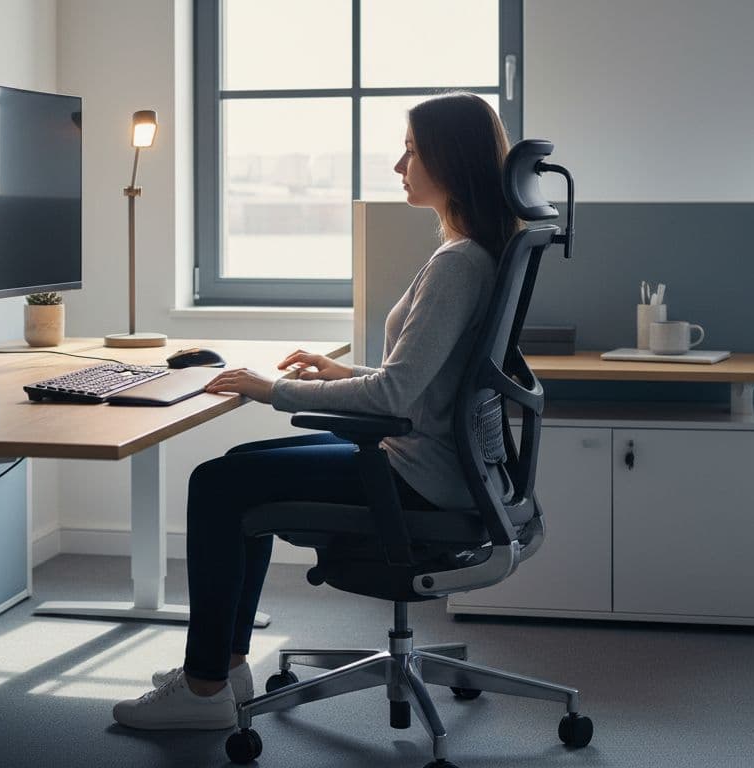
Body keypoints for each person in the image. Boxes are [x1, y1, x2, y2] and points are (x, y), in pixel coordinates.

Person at [111, 92, 520, 731]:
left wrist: (270, 390)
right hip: (437, 463)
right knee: (236, 468)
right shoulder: (477, 254)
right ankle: (225, 665)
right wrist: (338, 373)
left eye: (411, 151)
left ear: (448, 159)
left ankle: (203, 688)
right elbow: (417, 382)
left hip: (417, 477)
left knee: (217, 485)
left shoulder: (457, 265)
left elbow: (391, 398)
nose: (398, 166)